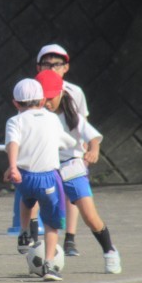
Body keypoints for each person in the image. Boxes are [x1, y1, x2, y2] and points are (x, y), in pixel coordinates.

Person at [35, 70, 121, 274]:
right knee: (38, 206)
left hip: (72, 167)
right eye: (43, 98)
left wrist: (93, 150)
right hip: (48, 168)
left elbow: (93, 137)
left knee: (89, 216)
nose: (47, 102)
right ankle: (37, 249)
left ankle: (109, 250)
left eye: (51, 97)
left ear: (61, 93)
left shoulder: (72, 116)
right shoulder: (36, 116)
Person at [3, 78, 77, 281]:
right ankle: (49, 265)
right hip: (48, 178)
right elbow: (68, 142)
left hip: (24, 177)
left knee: (27, 198)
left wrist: (12, 167)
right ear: (43, 100)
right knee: (52, 224)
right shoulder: (52, 119)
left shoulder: (15, 121)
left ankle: (24, 231)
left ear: (15, 103)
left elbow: (13, 143)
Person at [36, 44, 88, 256]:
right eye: (46, 64)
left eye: (57, 64)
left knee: (72, 194)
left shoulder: (75, 91)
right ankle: (31, 234)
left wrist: (86, 146)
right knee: (36, 191)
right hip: (43, 152)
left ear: (66, 67)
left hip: (70, 152)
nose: (51, 68)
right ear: (38, 67)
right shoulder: (33, 89)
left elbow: (83, 121)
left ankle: (70, 238)